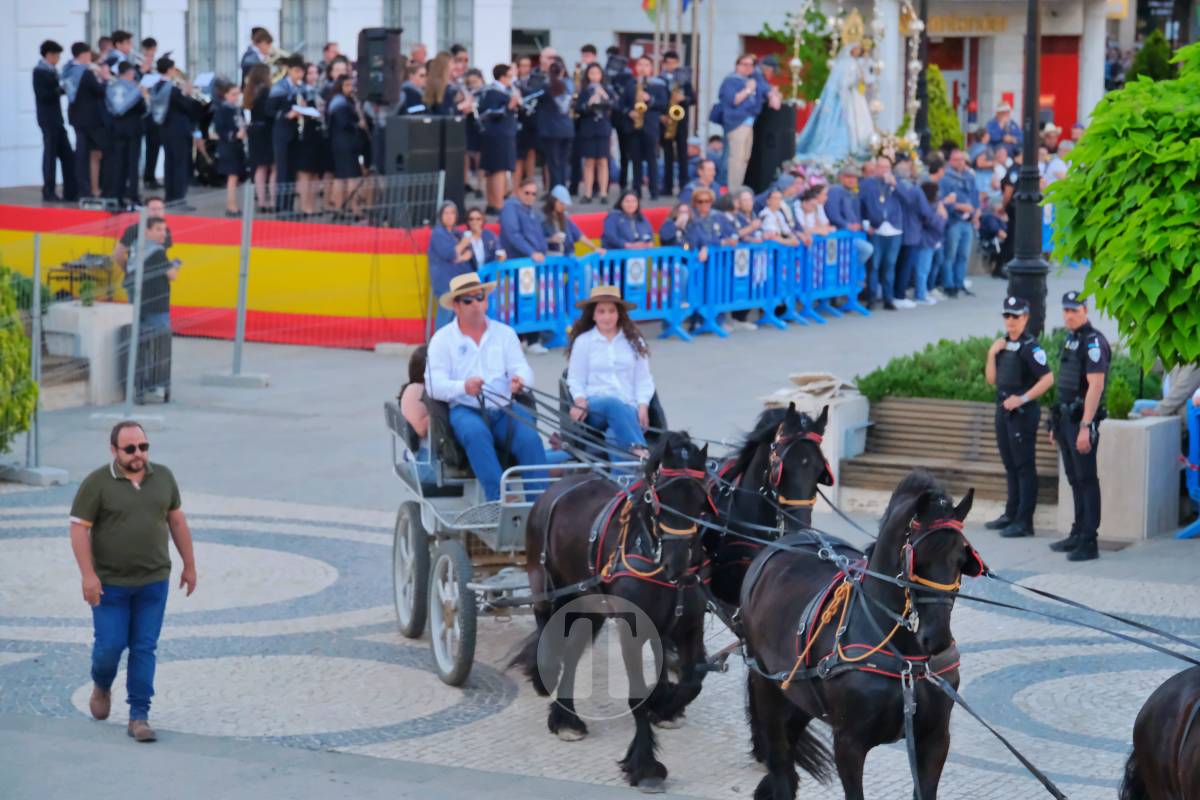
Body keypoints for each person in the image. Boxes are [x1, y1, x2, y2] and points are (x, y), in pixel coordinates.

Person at [69, 421, 196, 743]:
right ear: (114, 451)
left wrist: (189, 565)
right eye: (130, 449)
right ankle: (101, 684)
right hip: (110, 585)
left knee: (144, 648)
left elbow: (177, 520)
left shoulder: (163, 477)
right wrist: (88, 575)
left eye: (143, 446)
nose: (138, 454)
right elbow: (78, 529)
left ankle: (139, 715)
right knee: (109, 647)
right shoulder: (97, 483)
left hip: (154, 582)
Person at [425, 272, 549, 501]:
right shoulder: (442, 340)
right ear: (456, 306)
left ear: (486, 299)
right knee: (475, 434)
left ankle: (541, 505)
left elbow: (523, 369)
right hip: (465, 409)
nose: (475, 304)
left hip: (504, 408)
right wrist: (463, 387)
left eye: (479, 297)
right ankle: (500, 499)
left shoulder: (505, 334)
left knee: (530, 438)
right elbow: (434, 386)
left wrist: (520, 381)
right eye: (467, 300)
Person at [984, 296, 1055, 539]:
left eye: (1015, 316)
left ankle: (1025, 521)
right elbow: (992, 380)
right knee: (1010, 465)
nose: (1011, 321)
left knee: (1024, 467)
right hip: (1003, 411)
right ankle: (1010, 514)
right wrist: (992, 353)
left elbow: (1047, 379)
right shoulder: (1002, 345)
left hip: (1022, 414)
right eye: (1007, 316)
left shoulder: (1030, 347)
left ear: (1025, 318)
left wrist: (1022, 398)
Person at [1049, 291, 1111, 562]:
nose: (1069, 315)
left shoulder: (1094, 342)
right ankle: (1077, 531)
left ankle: (1089, 540)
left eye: (1074, 310)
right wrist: (1055, 423)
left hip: (1081, 421)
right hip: (1066, 420)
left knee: (1086, 480)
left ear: (1085, 310)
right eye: (1066, 311)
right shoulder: (1071, 340)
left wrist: (1086, 425)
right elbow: (1065, 384)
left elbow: (1096, 385)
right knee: (1074, 479)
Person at [566, 286, 655, 455]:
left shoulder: (635, 342)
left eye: (611, 311)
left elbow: (644, 380)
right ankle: (641, 451)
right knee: (613, 404)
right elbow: (575, 379)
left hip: (628, 407)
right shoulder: (584, 342)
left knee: (614, 436)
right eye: (601, 311)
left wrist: (643, 406)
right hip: (594, 408)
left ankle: (619, 479)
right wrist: (579, 400)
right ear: (593, 315)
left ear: (619, 313)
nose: (607, 317)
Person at [795, 43, 875, 161]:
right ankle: (849, 148)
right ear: (851, 49)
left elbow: (866, 79)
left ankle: (860, 146)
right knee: (849, 123)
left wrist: (869, 71)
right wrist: (855, 79)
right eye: (857, 48)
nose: (859, 51)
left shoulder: (857, 63)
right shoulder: (845, 64)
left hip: (856, 98)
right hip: (846, 100)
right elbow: (842, 83)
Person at [150, 57, 202, 207]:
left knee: (169, 162)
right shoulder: (172, 90)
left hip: (164, 129)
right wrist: (187, 93)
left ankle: (169, 196)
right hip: (178, 129)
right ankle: (179, 198)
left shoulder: (157, 87)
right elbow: (189, 108)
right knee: (180, 164)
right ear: (170, 70)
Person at [34, 40, 77, 203]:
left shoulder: (52, 71)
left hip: (57, 120)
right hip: (48, 120)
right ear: (49, 55)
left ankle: (71, 191)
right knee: (50, 156)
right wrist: (60, 89)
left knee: (67, 155)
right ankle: (49, 191)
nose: (58, 58)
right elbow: (43, 95)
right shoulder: (39, 72)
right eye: (56, 55)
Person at [859, 156, 904, 310]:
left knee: (890, 266)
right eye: (880, 167)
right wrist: (864, 223)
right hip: (876, 229)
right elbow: (860, 204)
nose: (883, 170)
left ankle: (888, 299)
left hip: (894, 229)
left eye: (886, 167)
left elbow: (909, 200)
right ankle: (871, 299)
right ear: (875, 168)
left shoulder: (898, 182)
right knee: (874, 266)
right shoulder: (867, 184)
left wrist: (895, 185)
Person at [715, 54, 763, 193]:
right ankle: (733, 189)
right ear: (737, 65)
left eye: (751, 65)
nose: (748, 67)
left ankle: (737, 187)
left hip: (748, 123)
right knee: (736, 157)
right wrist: (748, 90)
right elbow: (734, 100)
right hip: (737, 123)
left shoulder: (750, 80)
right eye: (745, 64)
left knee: (744, 158)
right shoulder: (731, 81)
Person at [124, 217, 180, 333]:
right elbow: (172, 275)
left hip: (138, 305)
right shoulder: (157, 252)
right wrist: (176, 265)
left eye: (164, 230)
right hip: (156, 307)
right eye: (158, 230)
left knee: (140, 344)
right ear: (146, 231)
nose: (163, 234)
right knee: (160, 345)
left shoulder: (135, 247)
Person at [477, 64, 520, 213]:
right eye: (510, 76)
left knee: (493, 170)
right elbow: (490, 113)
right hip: (499, 135)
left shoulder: (500, 91)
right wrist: (509, 106)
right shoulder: (493, 92)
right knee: (499, 169)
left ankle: (492, 203)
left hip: (499, 134)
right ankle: (498, 203)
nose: (512, 80)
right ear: (502, 77)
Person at [622, 55, 666, 199]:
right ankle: (636, 190)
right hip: (634, 127)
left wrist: (650, 99)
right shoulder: (630, 84)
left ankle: (654, 191)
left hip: (650, 126)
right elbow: (620, 104)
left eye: (646, 65)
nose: (643, 68)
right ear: (635, 67)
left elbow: (663, 105)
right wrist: (629, 112)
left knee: (652, 159)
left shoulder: (658, 85)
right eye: (640, 65)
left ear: (651, 68)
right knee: (635, 160)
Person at [105, 61, 147, 209]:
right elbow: (143, 109)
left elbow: (110, 108)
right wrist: (141, 95)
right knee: (133, 165)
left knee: (118, 163)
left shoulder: (110, 86)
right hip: (133, 129)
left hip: (116, 129)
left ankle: (118, 195)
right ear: (129, 72)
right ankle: (133, 196)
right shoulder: (135, 88)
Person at [428, 201, 474, 330]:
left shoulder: (456, 233)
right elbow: (449, 254)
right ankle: (438, 347)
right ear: (440, 215)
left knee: (455, 319)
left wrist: (461, 256)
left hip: (458, 283)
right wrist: (463, 244)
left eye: (452, 213)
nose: (449, 216)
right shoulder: (438, 233)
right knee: (445, 317)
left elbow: (469, 252)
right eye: (446, 213)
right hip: (445, 283)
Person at [939, 148, 979, 298]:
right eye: (956, 159)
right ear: (950, 161)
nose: (960, 162)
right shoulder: (945, 178)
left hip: (968, 221)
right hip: (954, 220)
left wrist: (976, 212)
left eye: (962, 159)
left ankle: (959, 282)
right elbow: (942, 201)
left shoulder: (969, 176)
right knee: (950, 255)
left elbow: (975, 195)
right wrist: (960, 206)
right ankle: (948, 285)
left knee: (963, 255)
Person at [268, 56, 306, 212]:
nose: (299, 75)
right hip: (282, 132)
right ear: (289, 70)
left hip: (295, 133)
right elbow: (269, 110)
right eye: (296, 71)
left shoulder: (301, 88)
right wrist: (285, 115)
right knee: (283, 170)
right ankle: (281, 206)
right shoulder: (279, 87)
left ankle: (289, 206)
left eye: (301, 71)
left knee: (292, 170)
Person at [398, 346, 438, 484]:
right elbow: (421, 428)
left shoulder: (427, 389)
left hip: (433, 458)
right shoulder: (415, 390)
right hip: (426, 463)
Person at [575, 63, 613, 203]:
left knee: (603, 161)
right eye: (592, 73)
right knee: (589, 162)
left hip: (603, 128)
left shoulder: (607, 89)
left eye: (597, 73)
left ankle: (603, 193)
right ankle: (588, 193)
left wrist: (604, 96)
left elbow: (614, 105)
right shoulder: (584, 91)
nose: (595, 76)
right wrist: (589, 103)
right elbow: (578, 109)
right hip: (588, 129)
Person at [659, 50, 694, 197]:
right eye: (668, 63)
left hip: (681, 120)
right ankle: (667, 186)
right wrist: (662, 115)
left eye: (674, 62)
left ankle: (683, 186)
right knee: (666, 154)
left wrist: (683, 98)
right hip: (665, 120)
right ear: (664, 64)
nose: (671, 65)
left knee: (682, 154)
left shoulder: (684, 81)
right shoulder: (659, 80)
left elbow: (693, 99)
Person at [327, 74, 364, 216]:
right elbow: (343, 123)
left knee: (341, 175)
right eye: (347, 85)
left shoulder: (339, 101)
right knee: (350, 176)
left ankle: (339, 206)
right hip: (345, 142)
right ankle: (353, 207)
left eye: (351, 85)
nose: (351, 88)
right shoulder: (341, 103)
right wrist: (357, 124)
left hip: (340, 142)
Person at [536, 58, 575, 191]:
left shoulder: (547, 86)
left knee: (553, 163)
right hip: (567, 129)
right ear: (562, 71)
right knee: (563, 163)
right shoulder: (569, 85)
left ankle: (556, 192)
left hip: (551, 130)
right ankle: (562, 190)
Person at [212, 81, 247, 217]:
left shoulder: (238, 109)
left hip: (238, 146)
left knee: (236, 176)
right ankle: (231, 206)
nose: (236, 97)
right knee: (232, 176)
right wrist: (233, 135)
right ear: (226, 95)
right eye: (233, 94)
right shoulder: (222, 110)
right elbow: (219, 129)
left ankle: (234, 205)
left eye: (238, 94)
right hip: (228, 146)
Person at [243, 64, 274, 213]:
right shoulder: (266, 91)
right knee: (274, 167)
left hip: (254, 130)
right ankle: (272, 201)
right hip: (266, 131)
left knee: (260, 167)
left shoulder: (250, 90)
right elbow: (269, 112)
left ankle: (261, 201)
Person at [112, 197, 171, 272]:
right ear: (145, 211)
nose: (157, 212)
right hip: (137, 275)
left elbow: (162, 255)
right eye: (153, 209)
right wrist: (129, 270)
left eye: (160, 209)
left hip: (155, 276)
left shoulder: (166, 230)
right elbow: (118, 254)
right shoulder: (134, 229)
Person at [543, 185, 603, 257]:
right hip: (552, 258)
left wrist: (595, 247)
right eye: (561, 203)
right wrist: (551, 240)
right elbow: (537, 239)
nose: (563, 206)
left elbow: (578, 235)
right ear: (553, 201)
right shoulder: (542, 219)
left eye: (565, 204)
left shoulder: (565, 218)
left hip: (568, 255)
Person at [139, 38, 162, 189]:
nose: (150, 54)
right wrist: (143, 71)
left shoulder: (155, 67)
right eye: (148, 51)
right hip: (142, 112)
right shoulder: (137, 66)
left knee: (154, 145)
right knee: (142, 147)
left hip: (155, 111)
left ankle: (150, 176)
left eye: (153, 51)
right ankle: (144, 176)